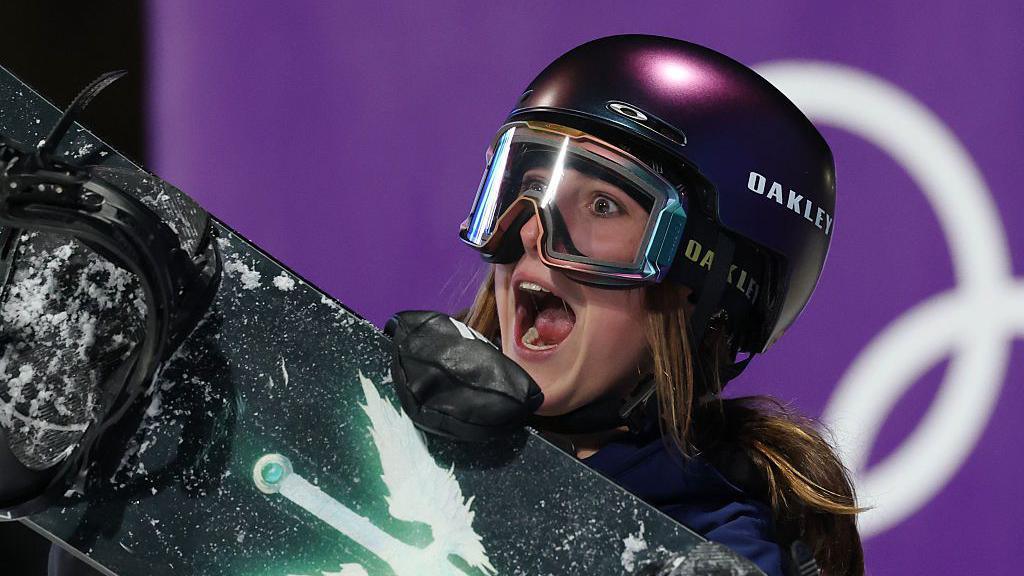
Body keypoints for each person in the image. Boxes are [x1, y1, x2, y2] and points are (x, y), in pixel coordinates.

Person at [386, 35, 864, 576]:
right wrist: (356, 409)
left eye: (602, 205)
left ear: (713, 284)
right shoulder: (410, 409)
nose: (533, 232)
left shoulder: (711, 552)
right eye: (530, 187)